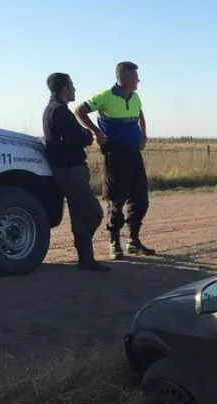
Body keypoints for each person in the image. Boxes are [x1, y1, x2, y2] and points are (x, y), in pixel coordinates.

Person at [74, 61, 156, 260]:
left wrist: (143, 134)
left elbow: (140, 115)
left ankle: (133, 241)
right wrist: (96, 132)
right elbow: (79, 111)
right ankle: (114, 243)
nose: (138, 80)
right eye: (136, 77)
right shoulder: (105, 96)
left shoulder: (135, 97)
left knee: (140, 199)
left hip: (134, 153)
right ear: (126, 78)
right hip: (115, 154)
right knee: (115, 199)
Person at [42, 72, 110, 272]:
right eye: (72, 86)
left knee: (80, 215)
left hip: (68, 169)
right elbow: (79, 138)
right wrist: (88, 136)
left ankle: (86, 259)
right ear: (65, 89)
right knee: (94, 213)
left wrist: (84, 135)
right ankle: (84, 252)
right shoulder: (60, 112)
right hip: (71, 171)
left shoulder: (52, 109)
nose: (75, 90)